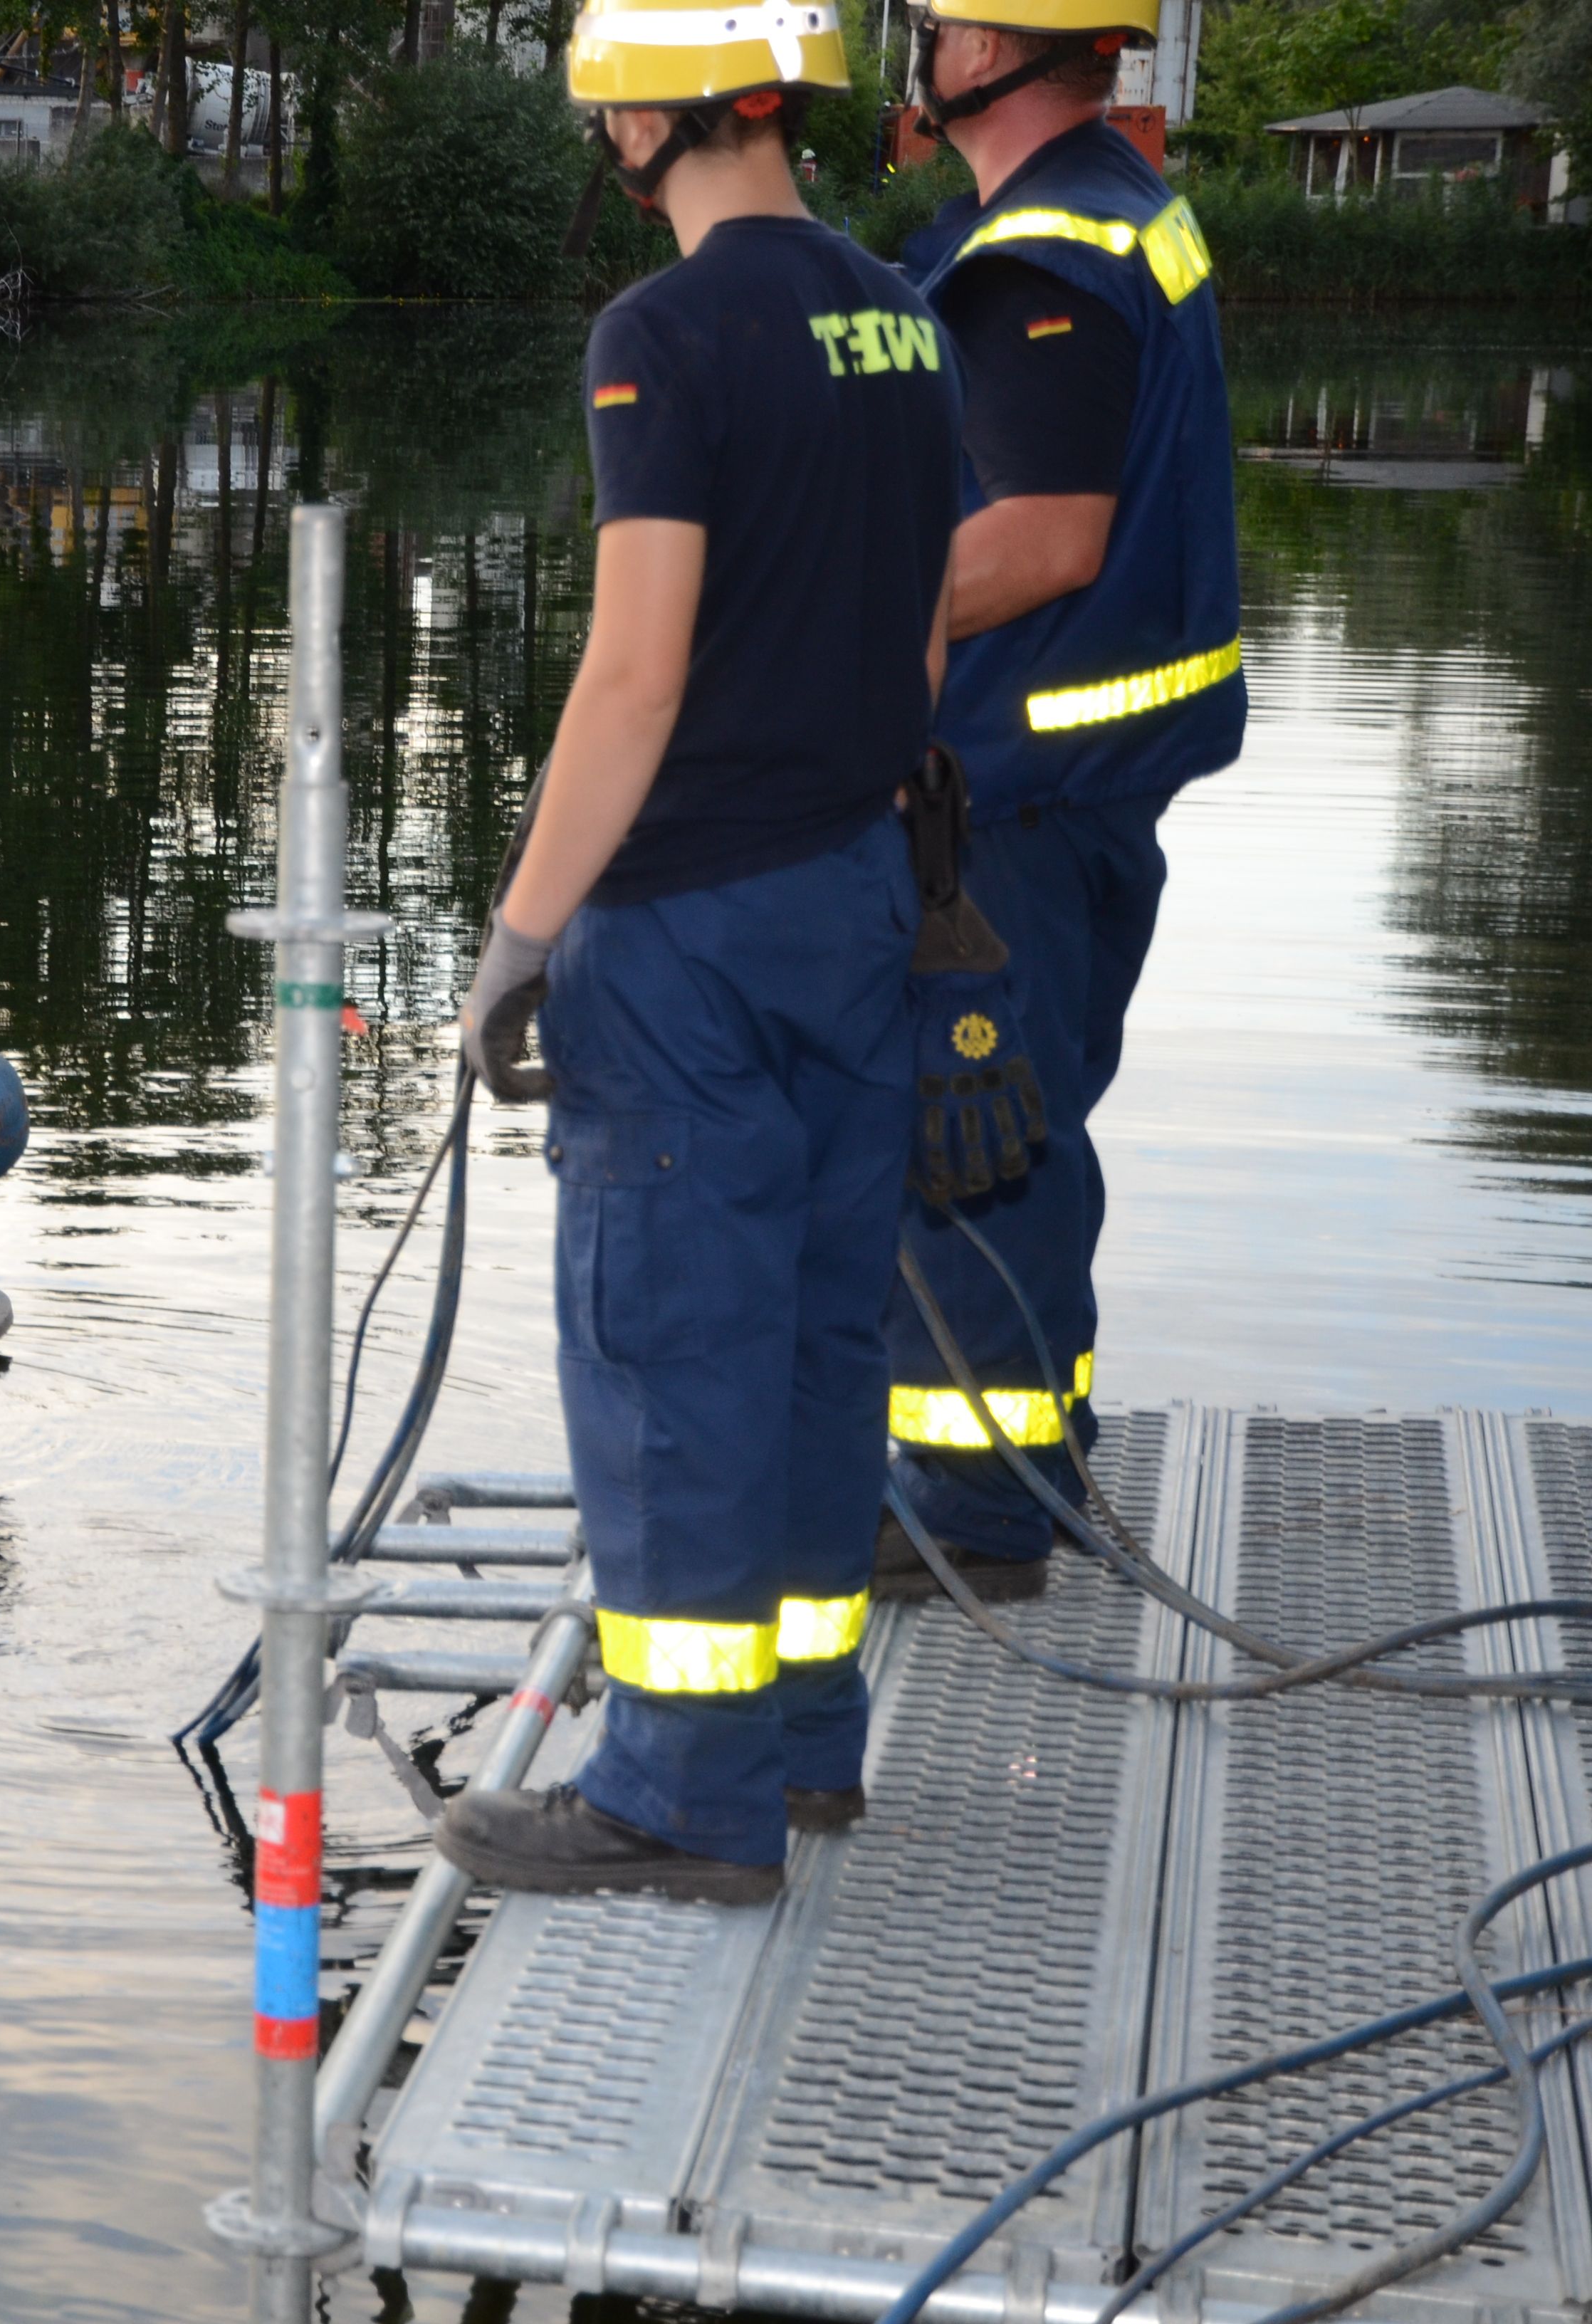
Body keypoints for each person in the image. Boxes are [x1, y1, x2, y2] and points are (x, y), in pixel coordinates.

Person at [431, 0, 963, 1906]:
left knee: (671, 1359)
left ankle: (672, 1796)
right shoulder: (903, 310)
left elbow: (635, 672)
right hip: (855, 896)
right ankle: (807, 1752)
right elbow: (918, 646)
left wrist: (519, 938)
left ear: (639, 123)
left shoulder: (660, 337)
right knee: (823, 1335)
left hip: (693, 935)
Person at [875, 0, 1244, 1598]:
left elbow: (1043, 535)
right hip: (1067, 783)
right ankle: (1027, 1459)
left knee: (972, 1145)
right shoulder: (1083, 210)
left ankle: (970, 1518)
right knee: (1020, 1129)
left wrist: (824, 628)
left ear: (993, 53)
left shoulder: (1051, 253)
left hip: (1016, 792)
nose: (918, 41)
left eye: (940, 21)